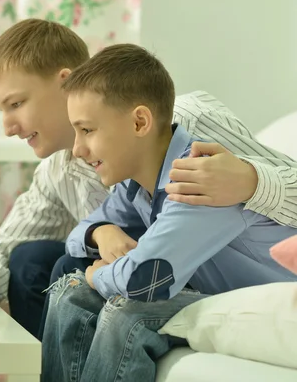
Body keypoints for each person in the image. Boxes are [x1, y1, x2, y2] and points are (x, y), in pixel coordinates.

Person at [0, 19, 297, 340]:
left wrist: (251, 181)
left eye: (16, 104)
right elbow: (10, 246)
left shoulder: (186, 123)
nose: (7, 126)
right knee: (32, 259)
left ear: (65, 82)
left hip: (181, 272)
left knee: (68, 271)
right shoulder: (58, 172)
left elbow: (282, 187)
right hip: (138, 274)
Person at [41, 43, 297, 382]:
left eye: (87, 130)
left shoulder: (199, 179)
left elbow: (144, 279)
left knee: (121, 309)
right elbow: (79, 234)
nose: (77, 149)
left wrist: (95, 275)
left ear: (140, 122)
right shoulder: (135, 184)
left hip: (268, 302)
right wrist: (101, 231)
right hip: (213, 294)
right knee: (68, 292)